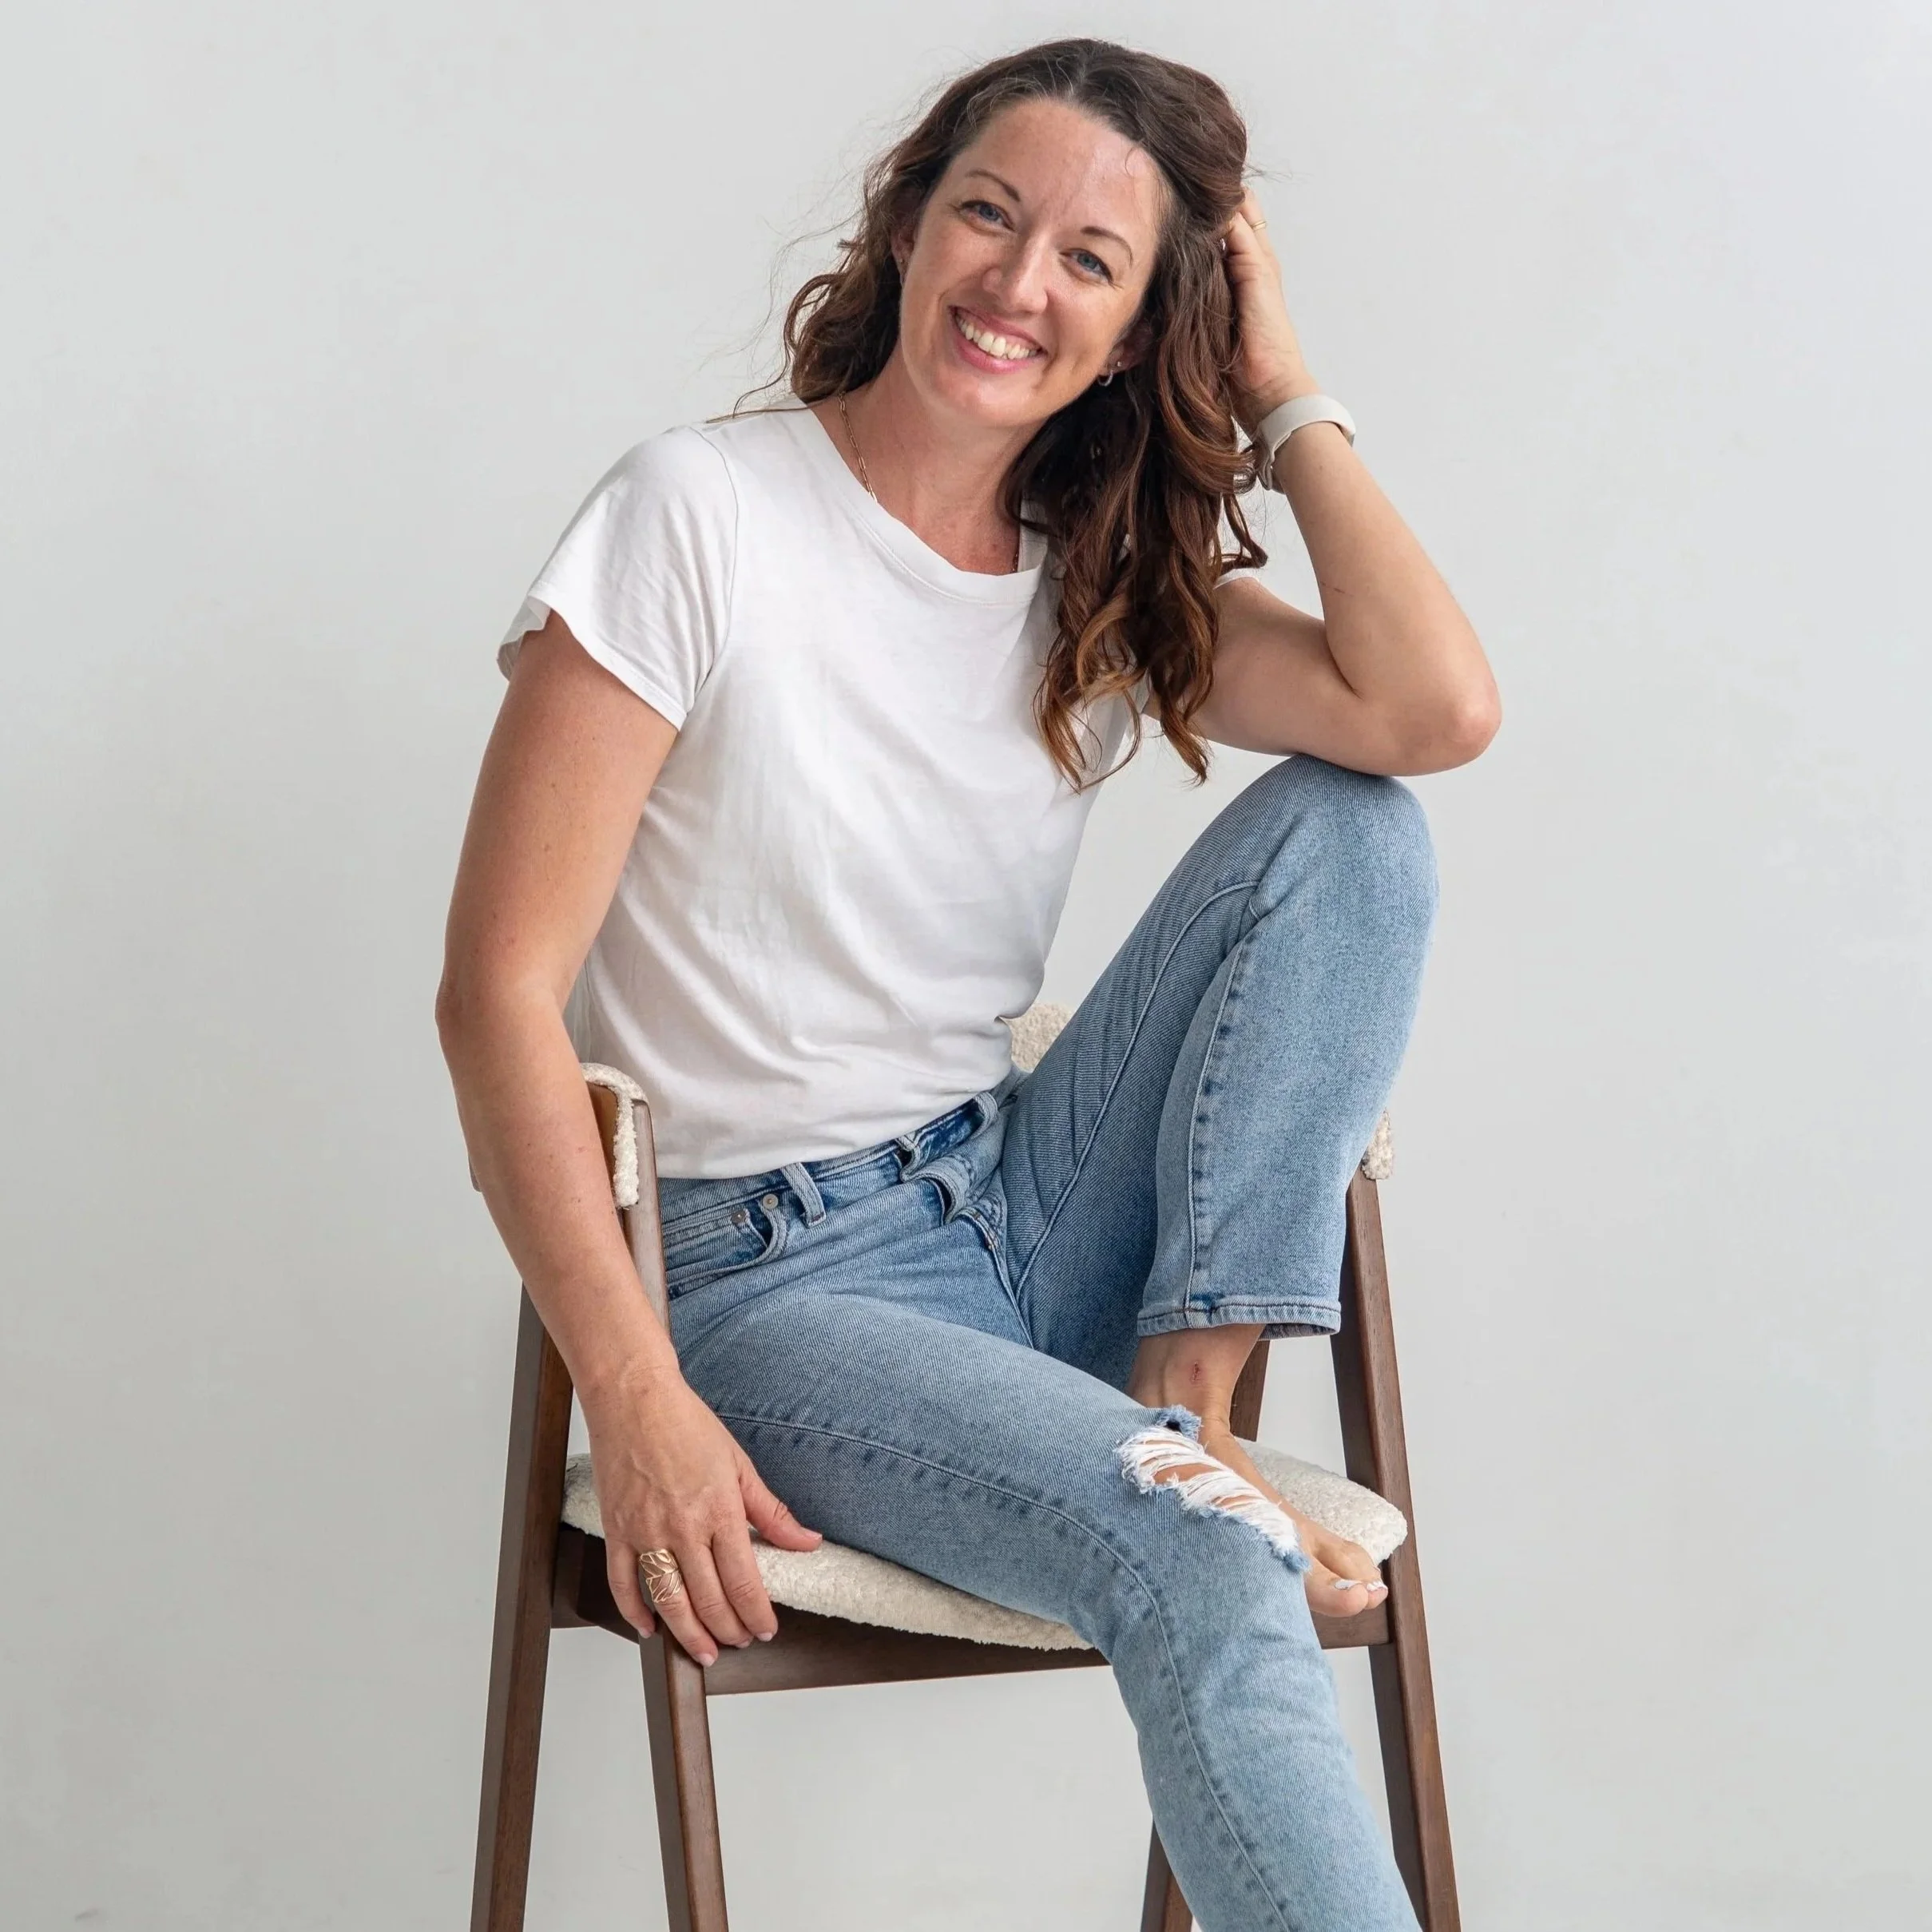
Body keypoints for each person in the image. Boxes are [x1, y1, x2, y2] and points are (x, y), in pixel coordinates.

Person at [438, 36, 1498, 1932]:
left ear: (1139, 328)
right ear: (910, 222)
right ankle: (1188, 1480)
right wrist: (641, 1387)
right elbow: (498, 996)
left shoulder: (1093, 578)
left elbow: (1433, 711)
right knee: (1206, 1570)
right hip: (770, 1283)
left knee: (1361, 827)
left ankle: (1196, 1377)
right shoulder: (698, 515)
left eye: (1094, 261)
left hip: (1020, 1199)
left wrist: (1284, 390)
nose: (1020, 285)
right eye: (990, 217)